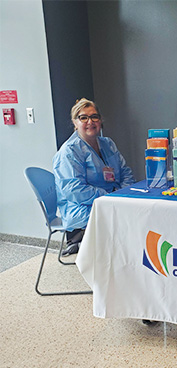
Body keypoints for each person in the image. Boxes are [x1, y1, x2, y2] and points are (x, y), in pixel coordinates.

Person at [53, 98, 135, 255]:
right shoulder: (69, 152)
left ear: (100, 120)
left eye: (94, 116)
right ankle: (113, 261)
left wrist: (123, 194)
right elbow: (74, 191)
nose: (90, 121)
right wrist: (110, 197)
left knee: (135, 210)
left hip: (111, 199)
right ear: (75, 123)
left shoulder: (108, 144)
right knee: (121, 218)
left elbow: (125, 172)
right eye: (83, 117)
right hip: (80, 206)